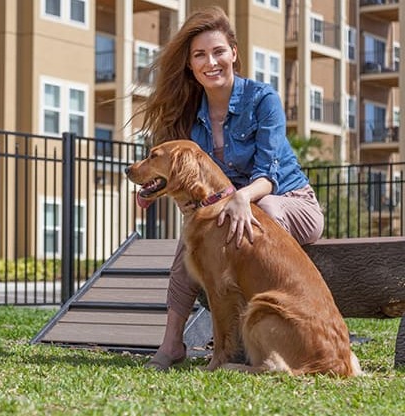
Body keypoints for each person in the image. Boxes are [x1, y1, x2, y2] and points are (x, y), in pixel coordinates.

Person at [133, 7, 325, 371]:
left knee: (263, 210)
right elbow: (191, 186)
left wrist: (241, 197)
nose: (211, 62)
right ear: (190, 66)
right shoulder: (190, 117)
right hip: (231, 211)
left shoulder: (262, 99)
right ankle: (172, 343)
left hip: (288, 202)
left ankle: (262, 331)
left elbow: (268, 176)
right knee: (188, 245)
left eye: (219, 51)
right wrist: (151, 189)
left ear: (234, 52)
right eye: (200, 55)